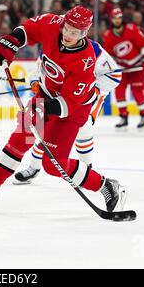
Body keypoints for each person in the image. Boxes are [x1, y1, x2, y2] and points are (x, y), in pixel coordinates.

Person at [0, 6, 127, 213]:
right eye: (67, 28)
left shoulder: (86, 59)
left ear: (84, 33)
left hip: (72, 111)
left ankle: (106, 185)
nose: (68, 35)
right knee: (20, 140)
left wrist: (40, 107)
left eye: (75, 32)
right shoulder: (53, 24)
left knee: (54, 165)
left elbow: (68, 104)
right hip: (44, 97)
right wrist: (11, 42)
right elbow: (28, 30)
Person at [13, 39, 122, 184]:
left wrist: (92, 90)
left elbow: (114, 75)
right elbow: (39, 69)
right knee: (39, 128)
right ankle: (34, 167)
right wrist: (35, 81)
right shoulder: (52, 42)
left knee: (84, 129)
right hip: (54, 96)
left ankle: (86, 171)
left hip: (84, 99)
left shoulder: (94, 49)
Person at [102, 8, 144, 129]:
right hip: (122, 68)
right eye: (115, 18)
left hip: (137, 66)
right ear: (111, 19)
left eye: (119, 18)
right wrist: (111, 67)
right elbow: (109, 55)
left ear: (122, 18)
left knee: (137, 91)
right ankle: (123, 116)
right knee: (119, 91)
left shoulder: (132, 29)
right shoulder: (108, 35)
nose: (117, 20)